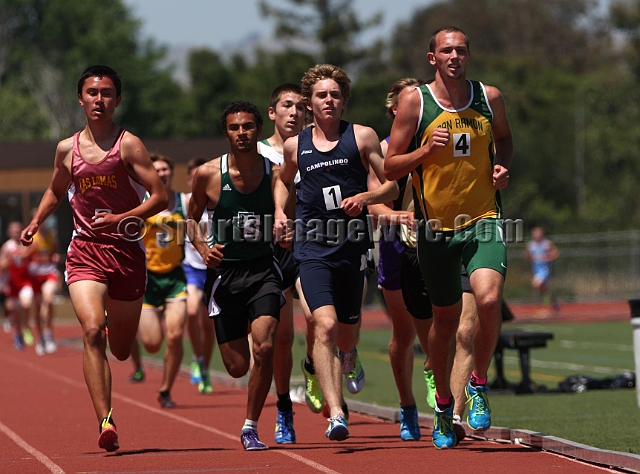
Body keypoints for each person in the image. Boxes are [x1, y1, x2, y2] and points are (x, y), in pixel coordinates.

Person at [20, 65, 168, 453]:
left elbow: (160, 197)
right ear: (81, 99)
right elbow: (56, 189)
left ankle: (115, 333)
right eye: (91, 92)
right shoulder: (67, 149)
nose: (98, 100)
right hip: (85, 250)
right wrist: (36, 221)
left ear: (117, 100)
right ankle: (106, 421)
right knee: (89, 330)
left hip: (127, 254)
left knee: (120, 348)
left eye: (106, 93)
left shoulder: (129, 145)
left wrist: (121, 218)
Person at [385, 27, 513, 449]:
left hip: (482, 217)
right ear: (432, 58)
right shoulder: (414, 102)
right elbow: (390, 167)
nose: (454, 56)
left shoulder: (487, 97)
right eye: (446, 50)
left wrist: (501, 168)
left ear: (468, 55)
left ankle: (477, 383)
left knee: (490, 300)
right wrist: (425, 151)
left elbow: (505, 142)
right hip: (434, 228)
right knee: (443, 324)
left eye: (461, 50)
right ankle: (442, 405)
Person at [274, 64, 399, 441]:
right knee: (323, 325)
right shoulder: (296, 145)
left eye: (335, 95)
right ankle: (337, 413)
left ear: (344, 102)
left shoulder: (362, 137)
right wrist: (280, 212)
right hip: (312, 248)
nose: (328, 101)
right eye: (321, 95)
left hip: (353, 247)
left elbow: (392, 186)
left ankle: (350, 354)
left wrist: (365, 196)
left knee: (346, 334)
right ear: (310, 104)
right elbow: (282, 182)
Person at [188, 100, 283, 451]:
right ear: (226, 132)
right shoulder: (209, 175)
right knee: (237, 367)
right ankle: (238, 323)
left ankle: (250, 426)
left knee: (266, 345)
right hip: (225, 276)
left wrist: (286, 225)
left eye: (247, 127)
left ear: (258, 130)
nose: (241, 133)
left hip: (262, 269)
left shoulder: (275, 172)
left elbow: (288, 208)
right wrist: (202, 249)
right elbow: (190, 220)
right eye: (234, 128)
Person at [368, 77, 429, 441]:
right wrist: (399, 217)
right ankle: (407, 406)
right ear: (396, 109)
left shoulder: (437, 141)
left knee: (442, 326)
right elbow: (374, 204)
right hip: (394, 246)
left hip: (436, 241)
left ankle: (440, 387)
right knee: (404, 332)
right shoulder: (382, 148)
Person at [258, 83, 305, 443]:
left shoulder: (321, 145)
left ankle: (319, 368)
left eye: (300, 106)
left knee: (325, 323)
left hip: (315, 243)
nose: (294, 112)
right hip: (273, 250)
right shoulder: (255, 152)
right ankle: (285, 406)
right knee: (283, 337)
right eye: (287, 105)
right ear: (272, 112)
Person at [133, 153, 190, 408]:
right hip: (149, 279)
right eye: (158, 169)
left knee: (176, 335)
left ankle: (166, 389)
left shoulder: (183, 201)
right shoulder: (141, 201)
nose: (163, 173)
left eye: (166, 169)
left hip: (176, 276)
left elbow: (197, 229)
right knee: (153, 344)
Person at [183, 157, 215, 394]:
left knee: (209, 323)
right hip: (192, 269)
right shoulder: (184, 202)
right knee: (192, 311)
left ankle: (205, 367)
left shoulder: (215, 200)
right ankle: (196, 357)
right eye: (194, 177)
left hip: (212, 269)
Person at [25, 214, 61, 354]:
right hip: (34, 275)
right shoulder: (31, 236)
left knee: (48, 299)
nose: (43, 223)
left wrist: (54, 256)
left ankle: (49, 334)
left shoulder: (51, 235)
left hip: (48, 272)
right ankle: (40, 337)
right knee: (37, 307)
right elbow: (22, 257)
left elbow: (55, 250)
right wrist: (31, 249)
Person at [0, 221, 33, 351]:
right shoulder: (7, 247)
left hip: (25, 282)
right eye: (13, 230)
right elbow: (1, 266)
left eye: (18, 230)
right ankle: (18, 333)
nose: (15, 232)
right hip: (12, 284)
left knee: (26, 304)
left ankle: (26, 326)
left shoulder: (26, 244)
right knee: (14, 311)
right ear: (9, 232)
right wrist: (9, 260)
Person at [525, 226, 560, 306]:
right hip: (536, 268)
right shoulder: (531, 245)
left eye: (538, 233)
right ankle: (552, 299)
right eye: (535, 233)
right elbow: (527, 256)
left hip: (545, 268)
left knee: (536, 284)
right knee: (541, 286)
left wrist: (548, 257)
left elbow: (556, 253)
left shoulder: (546, 244)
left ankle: (546, 301)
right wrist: (530, 257)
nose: (537, 235)